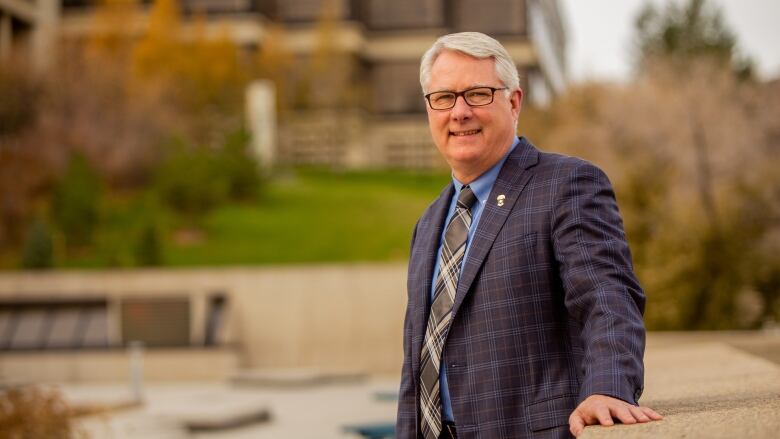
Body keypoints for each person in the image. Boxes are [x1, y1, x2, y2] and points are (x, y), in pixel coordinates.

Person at [396, 32, 662, 439]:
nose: (460, 111)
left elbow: (607, 296)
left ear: (514, 102)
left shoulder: (568, 184)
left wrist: (608, 387)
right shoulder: (430, 222)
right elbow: (417, 364)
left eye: (478, 94)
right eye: (444, 97)